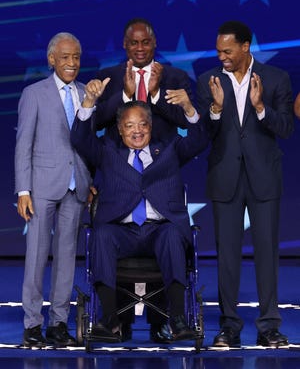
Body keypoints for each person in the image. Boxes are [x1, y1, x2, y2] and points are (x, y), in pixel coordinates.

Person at [87, 17, 196, 342]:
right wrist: (124, 95)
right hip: (119, 175)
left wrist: (157, 93)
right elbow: (96, 122)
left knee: (165, 236)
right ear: (124, 45)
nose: (139, 48)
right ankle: (115, 321)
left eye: (145, 42)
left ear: (154, 44)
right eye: (133, 43)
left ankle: (165, 322)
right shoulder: (109, 77)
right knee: (110, 236)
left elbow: (186, 123)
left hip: (159, 173)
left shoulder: (176, 77)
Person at [70, 100, 208, 343]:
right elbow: (80, 139)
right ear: (120, 129)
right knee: (101, 235)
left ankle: (177, 319)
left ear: (151, 126)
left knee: (172, 235)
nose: (137, 131)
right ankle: (110, 320)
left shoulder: (169, 149)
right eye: (129, 125)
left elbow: (199, 139)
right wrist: (88, 104)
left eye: (142, 124)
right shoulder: (107, 151)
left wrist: (189, 108)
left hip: (159, 229)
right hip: (121, 231)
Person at [196, 20, 294, 348]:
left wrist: (261, 108)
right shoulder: (207, 81)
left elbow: (286, 128)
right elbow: (202, 135)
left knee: (267, 255)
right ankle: (229, 327)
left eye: (227, 50)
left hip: (264, 178)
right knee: (227, 257)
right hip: (225, 178)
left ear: (245, 47)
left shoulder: (276, 79)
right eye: (218, 50)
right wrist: (215, 109)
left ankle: (269, 327)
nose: (221, 56)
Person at [14, 32, 108, 348]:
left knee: (67, 259)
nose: (72, 63)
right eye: (65, 57)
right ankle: (32, 325)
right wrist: (23, 189)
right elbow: (23, 144)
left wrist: (90, 179)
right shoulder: (34, 93)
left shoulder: (86, 93)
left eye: (76, 57)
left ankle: (57, 324)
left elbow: (88, 144)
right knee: (37, 256)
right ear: (52, 59)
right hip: (41, 187)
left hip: (76, 186)